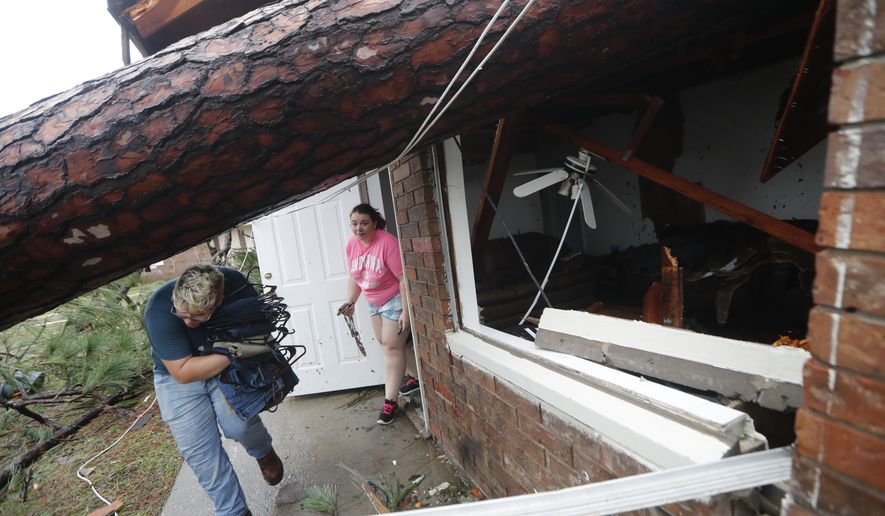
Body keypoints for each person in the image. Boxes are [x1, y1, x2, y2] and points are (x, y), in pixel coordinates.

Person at [144, 264, 283, 516]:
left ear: (221, 300)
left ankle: (263, 451)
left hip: (222, 368)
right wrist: (237, 351)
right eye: (181, 314)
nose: (187, 322)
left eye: (197, 317)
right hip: (176, 377)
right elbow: (183, 372)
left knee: (239, 424)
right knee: (200, 452)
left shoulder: (235, 285)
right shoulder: (159, 310)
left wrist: (250, 347)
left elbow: (260, 328)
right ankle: (234, 511)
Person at [341, 204, 419, 424]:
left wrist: (405, 310)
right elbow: (355, 276)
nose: (359, 228)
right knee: (388, 343)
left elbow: (403, 279)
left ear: (374, 223)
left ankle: (389, 402)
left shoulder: (387, 242)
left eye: (364, 223)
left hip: (394, 297)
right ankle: (416, 377)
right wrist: (351, 301)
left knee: (392, 347)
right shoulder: (351, 245)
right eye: (354, 223)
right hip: (373, 301)